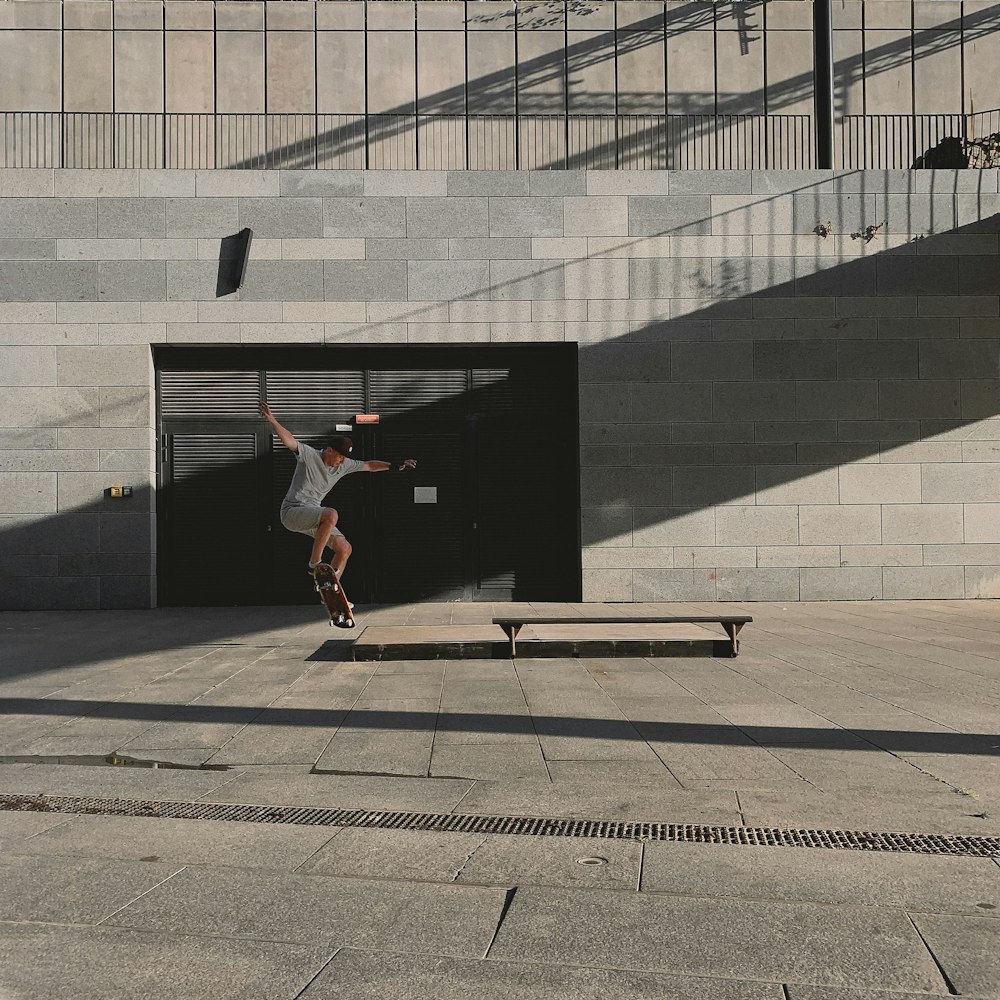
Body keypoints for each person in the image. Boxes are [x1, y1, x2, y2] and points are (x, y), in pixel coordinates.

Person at [261, 403, 416, 588]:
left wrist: (396, 465)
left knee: (345, 548)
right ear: (329, 450)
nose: (341, 462)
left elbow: (369, 465)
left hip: (313, 517)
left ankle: (330, 589)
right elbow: (290, 441)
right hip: (292, 512)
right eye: (339, 457)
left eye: (344, 459)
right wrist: (272, 420)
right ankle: (314, 565)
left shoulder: (344, 465)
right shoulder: (309, 456)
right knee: (331, 514)